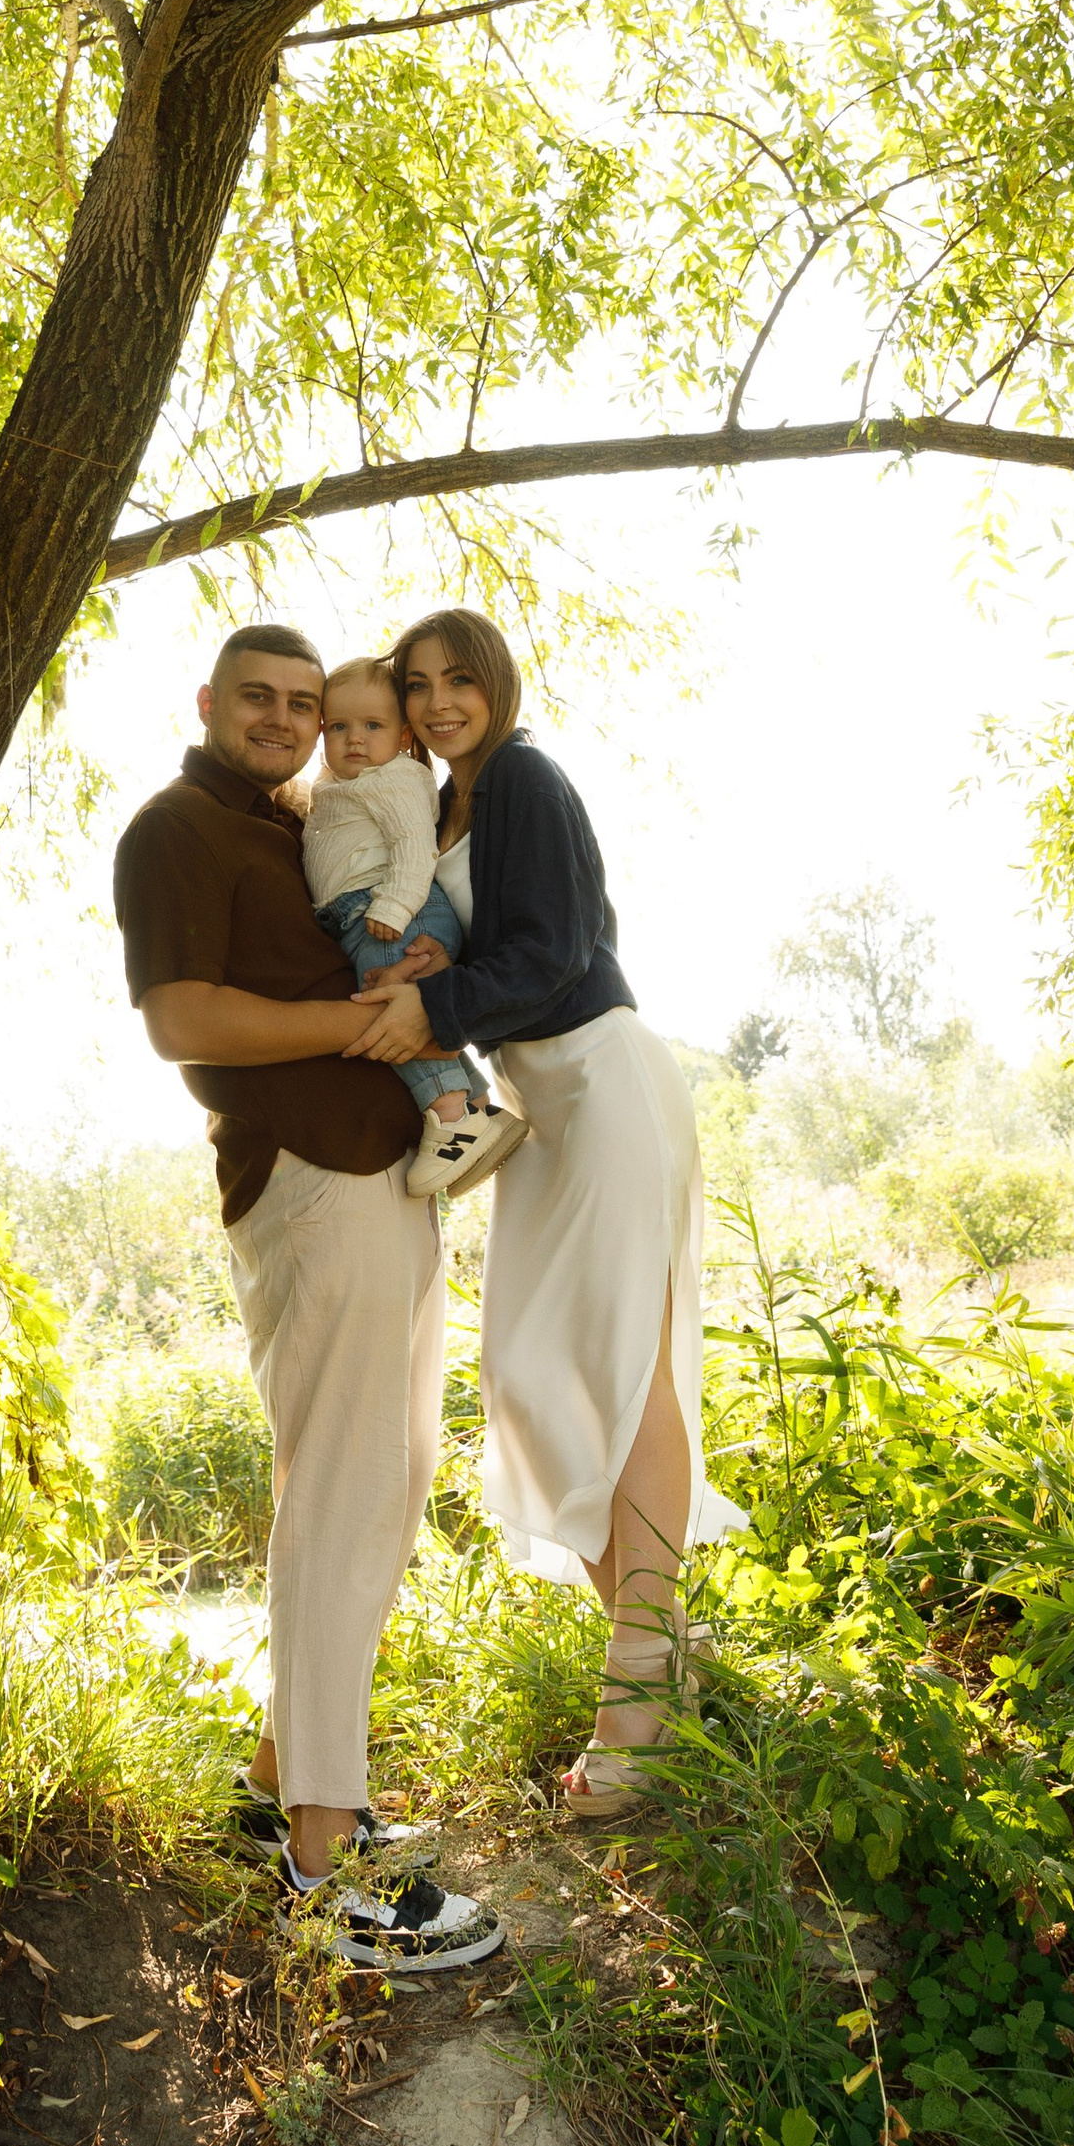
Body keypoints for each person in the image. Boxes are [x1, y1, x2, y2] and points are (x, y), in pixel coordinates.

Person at [111, 623, 507, 1975]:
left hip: (383, 1185)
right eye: (262, 702)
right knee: (342, 1506)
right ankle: (322, 1869)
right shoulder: (178, 831)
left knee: (378, 1493)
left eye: (304, 702)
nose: (287, 721)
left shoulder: (295, 827)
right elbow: (185, 1023)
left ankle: (280, 1782)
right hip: (314, 1182)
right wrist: (362, 1026)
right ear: (210, 702)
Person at [387, 606, 745, 1812]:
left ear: (496, 683)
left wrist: (426, 1012)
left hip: (598, 1079)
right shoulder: (450, 804)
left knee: (617, 1363)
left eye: (458, 680)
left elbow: (548, 955)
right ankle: (666, 1679)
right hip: (542, 1108)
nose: (439, 703)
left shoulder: (523, 779)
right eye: (418, 684)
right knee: (538, 1380)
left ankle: (638, 1702)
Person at [300, 656, 521, 1199]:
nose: (355, 740)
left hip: (395, 913)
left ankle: (450, 1122)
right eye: (339, 727)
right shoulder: (339, 782)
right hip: (370, 914)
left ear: (402, 735)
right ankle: (473, 1105)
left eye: (372, 727)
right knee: (407, 1012)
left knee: (391, 1014)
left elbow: (412, 847)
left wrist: (393, 909)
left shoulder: (392, 777)